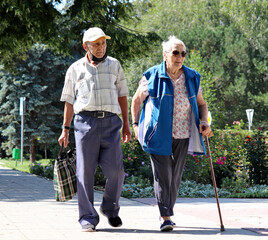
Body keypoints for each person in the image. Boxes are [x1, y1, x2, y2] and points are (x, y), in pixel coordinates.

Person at [131, 36, 212, 232]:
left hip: (183, 134)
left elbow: (202, 104)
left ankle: (167, 211)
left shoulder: (192, 78)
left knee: (175, 176)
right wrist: (135, 126)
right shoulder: (152, 76)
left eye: (183, 53)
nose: (180, 57)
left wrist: (204, 121)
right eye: (176, 52)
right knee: (163, 175)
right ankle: (165, 216)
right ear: (165, 55)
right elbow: (136, 101)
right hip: (158, 134)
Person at [58, 27, 131, 232]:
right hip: (84, 124)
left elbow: (123, 95)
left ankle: (110, 208)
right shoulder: (75, 68)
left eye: (104, 43)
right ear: (86, 46)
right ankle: (88, 217)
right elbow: (69, 101)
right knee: (84, 172)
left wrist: (126, 124)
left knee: (116, 171)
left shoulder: (114, 65)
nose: (101, 48)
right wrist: (65, 129)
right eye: (96, 44)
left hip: (110, 123)